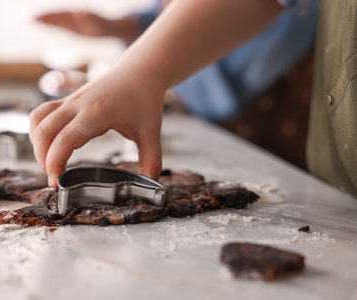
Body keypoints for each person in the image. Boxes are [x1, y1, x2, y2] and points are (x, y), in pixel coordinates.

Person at [29, 0, 357, 199]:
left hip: (279, 100)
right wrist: (127, 41)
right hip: (207, 107)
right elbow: (167, 12)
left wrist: (144, 68)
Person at [36, 1, 318, 121]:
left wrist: (145, 72)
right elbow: (167, 17)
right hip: (204, 101)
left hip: (274, 96)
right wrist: (116, 27)